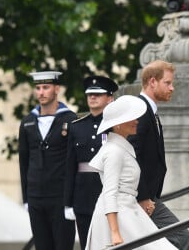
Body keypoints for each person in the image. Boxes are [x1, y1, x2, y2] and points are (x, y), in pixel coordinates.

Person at [85, 95, 178, 249]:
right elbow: (109, 192)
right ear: (118, 125)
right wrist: (114, 232)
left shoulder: (120, 148)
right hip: (120, 216)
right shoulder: (113, 151)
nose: (136, 121)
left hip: (129, 211)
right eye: (131, 118)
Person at [128, 60, 189, 249]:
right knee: (184, 240)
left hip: (149, 197)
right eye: (168, 83)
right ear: (152, 82)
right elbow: (132, 155)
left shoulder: (149, 111)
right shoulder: (140, 110)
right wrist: (143, 196)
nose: (172, 88)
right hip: (143, 198)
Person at [18, 71, 77, 250]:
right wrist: (26, 197)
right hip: (36, 197)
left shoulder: (70, 119)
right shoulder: (28, 122)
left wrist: (71, 200)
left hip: (60, 197)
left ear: (56, 89)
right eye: (38, 88)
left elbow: (72, 163)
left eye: (46, 87)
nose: (41, 92)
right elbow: (23, 162)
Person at [64, 75, 118, 250]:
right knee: (87, 243)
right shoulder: (76, 126)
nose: (92, 97)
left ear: (110, 98)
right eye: (89, 95)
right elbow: (70, 166)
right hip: (83, 196)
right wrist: (68, 202)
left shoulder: (115, 126)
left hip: (108, 193)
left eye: (98, 94)